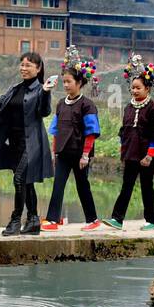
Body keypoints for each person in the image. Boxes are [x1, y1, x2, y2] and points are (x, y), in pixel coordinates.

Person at [0, 51, 54, 237]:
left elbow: (44, 112)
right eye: (22, 65)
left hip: (31, 144)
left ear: (38, 68)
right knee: (27, 181)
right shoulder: (15, 88)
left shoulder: (41, 89)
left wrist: (47, 93)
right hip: (15, 144)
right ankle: (33, 220)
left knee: (19, 179)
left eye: (28, 66)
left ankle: (15, 221)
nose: (23, 69)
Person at [104, 54, 154, 230]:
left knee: (147, 187)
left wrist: (150, 155)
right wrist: (122, 149)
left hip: (147, 155)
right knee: (127, 186)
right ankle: (117, 219)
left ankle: (151, 221)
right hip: (131, 153)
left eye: (138, 88)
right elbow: (124, 131)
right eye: (132, 88)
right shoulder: (129, 107)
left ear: (147, 88)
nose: (134, 91)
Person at [43, 46, 102, 232]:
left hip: (79, 154)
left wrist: (85, 155)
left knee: (82, 186)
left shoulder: (87, 105)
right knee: (58, 185)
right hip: (63, 152)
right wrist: (54, 153)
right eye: (64, 82)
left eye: (69, 82)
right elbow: (55, 130)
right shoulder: (61, 104)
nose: (66, 85)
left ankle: (92, 219)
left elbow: (91, 132)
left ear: (79, 82)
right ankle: (53, 220)